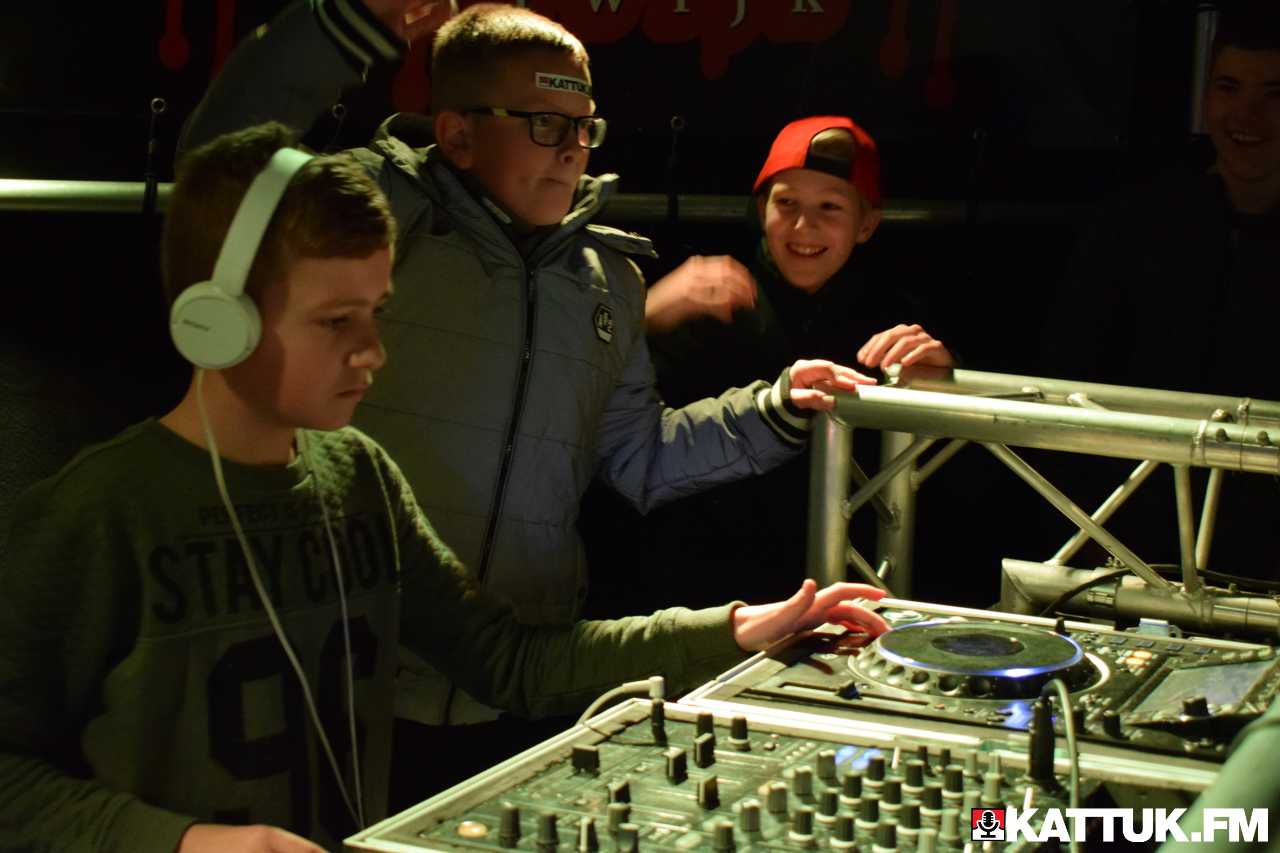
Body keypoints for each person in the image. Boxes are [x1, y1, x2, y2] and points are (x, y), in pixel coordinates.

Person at [0, 123, 890, 853]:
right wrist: (181, 841)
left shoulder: (359, 479)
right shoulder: (98, 512)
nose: (372, 352)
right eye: (336, 320)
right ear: (217, 318)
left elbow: (509, 661)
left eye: (376, 313)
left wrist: (734, 630)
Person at [179, 0, 877, 799]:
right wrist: (338, 28)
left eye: (585, 126)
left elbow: (640, 457)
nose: (574, 149)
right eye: (546, 124)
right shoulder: (370, 216)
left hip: (524, 690)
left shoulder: (607, 280)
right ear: (458, 134)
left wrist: (773, 409)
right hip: (335, 686)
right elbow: (219, 172)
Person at [583, 116, 953, 611]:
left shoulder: (894, 320)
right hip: (695, 587)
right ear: (762, 210)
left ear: (867, 224)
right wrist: (642, 315)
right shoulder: (703, 296)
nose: (803, 226)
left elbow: (945, 490)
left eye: (829, 207)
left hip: (845, 588)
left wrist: (946, 385)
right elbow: (600, 434)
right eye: (786, 203)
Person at [1035, 1, 1280, 582]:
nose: (1247, 113)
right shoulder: (1136, 221)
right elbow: (1067, 376)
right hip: (1135, 538)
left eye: (1274, 94)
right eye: (1228, 87)